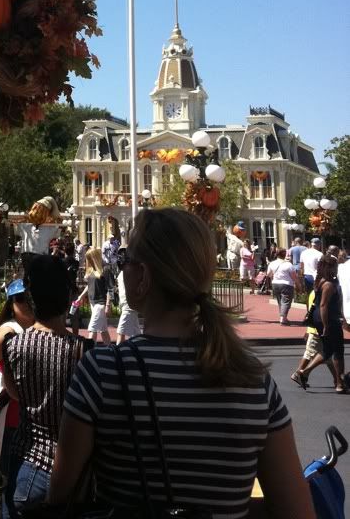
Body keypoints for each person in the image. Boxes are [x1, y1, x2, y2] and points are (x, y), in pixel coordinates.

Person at [48, 208, 315, 519]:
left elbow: (60, 496)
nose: (122, 270)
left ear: (143, 276)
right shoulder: (253, 380)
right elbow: (295, 510)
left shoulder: (103, 373)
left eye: (125, 262)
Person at [1, 254, 86, 516]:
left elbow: (14, 393)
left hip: (28, 459)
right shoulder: (87, 352)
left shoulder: (14, 345)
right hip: (77, 472)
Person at [0, 279, 35, 519]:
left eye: (28, 298)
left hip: (30, 416)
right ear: (11, 303)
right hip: (12, 416)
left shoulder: (37, 327)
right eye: (19, 299)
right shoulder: (10, 329)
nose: (25, 304)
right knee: (10, 483)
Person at [297, 254, 348, 394]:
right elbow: (324, 305)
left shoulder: (321, 281)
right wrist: (326, 325)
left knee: (331, 350)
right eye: (335, 267)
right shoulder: (328, 284)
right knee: (335, 351)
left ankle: (337, 381)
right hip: (328, 319)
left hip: (322, 318)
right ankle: (338, 383)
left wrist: (341, 316)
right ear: (329, 267)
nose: (336, 269)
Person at [75, 247, 111, 344]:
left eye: (89, 258)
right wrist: (81, 296)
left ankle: (88, 352)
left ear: (94, 258)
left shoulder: (104, 271)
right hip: (93, 302)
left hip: (100, 304)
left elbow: (109, 289)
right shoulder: (91, 271)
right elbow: (89, 286)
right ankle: (111, 350)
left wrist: (108, 305)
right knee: (103, 330)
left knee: (92, 329)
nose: (88, 260)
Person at [267, 247, 303, 325]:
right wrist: (299, 286)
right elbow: (294, 277)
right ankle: (283, 318)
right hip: (286, 284)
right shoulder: (288, 265)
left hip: (275, 283)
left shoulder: (272, 263)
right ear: (284, 255)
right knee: (286, 301)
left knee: (280, 301)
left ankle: (283, 317)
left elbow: (269, 274)